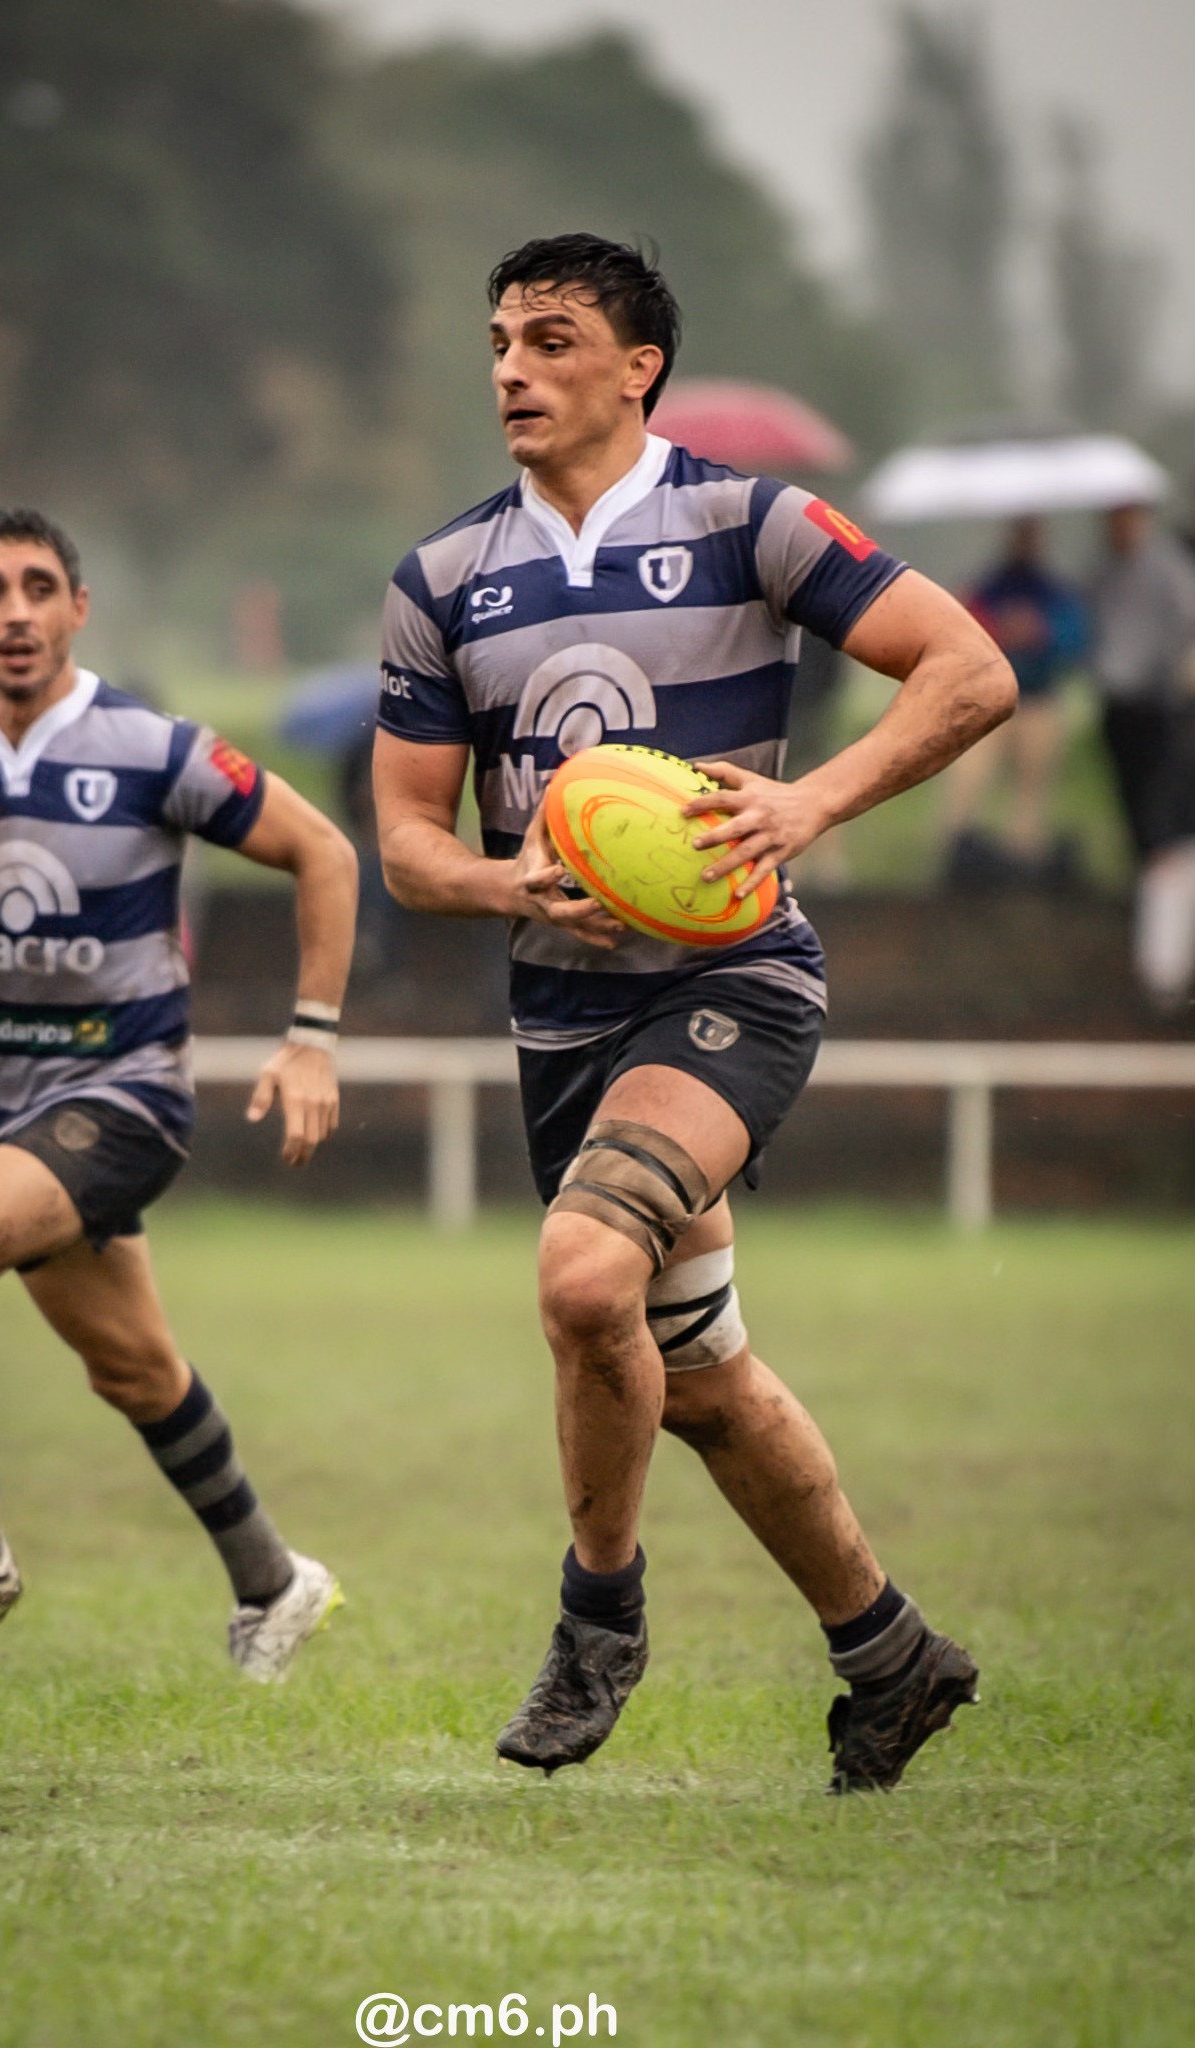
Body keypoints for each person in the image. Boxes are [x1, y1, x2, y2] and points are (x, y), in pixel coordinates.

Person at [373, 235, 1015, 1790]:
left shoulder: (749, 520)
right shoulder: (441, 578)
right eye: (498, 340)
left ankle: (598, 1616)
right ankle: (889, 1656)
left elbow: (968, 671)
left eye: (549, 336)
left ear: (635, 364)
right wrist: (507, 887)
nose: (511, 367)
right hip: (562, 1020)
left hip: (734, 987)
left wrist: (815, 808)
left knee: (587, 1280)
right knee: (702, 1378)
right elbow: (404, 842)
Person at [0, 509, 359, 1678]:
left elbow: (326, 850)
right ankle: (272, 1579)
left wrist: (310, 1036)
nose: (16, 611)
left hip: (127, 1100)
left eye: (39, 587)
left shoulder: (152, 747)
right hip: (9, 1117)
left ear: (77, 607)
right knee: (135, 1369)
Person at [940, 516, 1088, 886]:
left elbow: (1075, 639)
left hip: (1036, 700)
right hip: (987, 703)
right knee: (967, 783)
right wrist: (1002, 630)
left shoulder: (1054, 591)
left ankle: (1023, 872)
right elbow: (963, 631)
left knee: (1030, 798)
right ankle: (957, 862)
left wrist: (1042, 631)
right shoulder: (989, 587)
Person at [1089, 502, 1195, 1011]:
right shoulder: (1105, 574)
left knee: (1166, 842)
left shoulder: (1168, 571)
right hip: (1126, 714)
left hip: (1166, 715)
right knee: (1154, 839)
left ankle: (1164, 970)